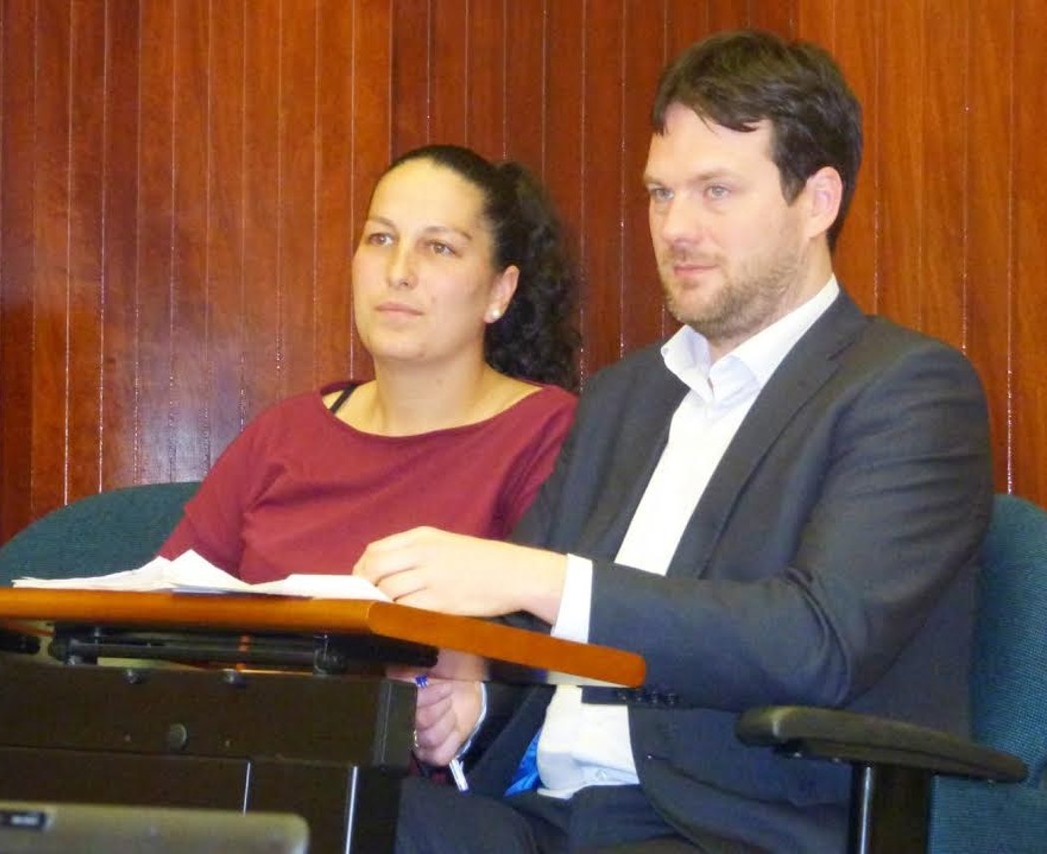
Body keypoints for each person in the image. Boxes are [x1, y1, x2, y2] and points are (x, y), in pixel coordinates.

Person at [354, 30, 992, 852]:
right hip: (549, 817)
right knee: (308, 817)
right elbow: (519, 625)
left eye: (715, 192)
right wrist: (471, 697)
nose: (676, 228)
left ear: (818, 201)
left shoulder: (904, 389)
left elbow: (819, 641)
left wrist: (542, 578)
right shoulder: (625, 398)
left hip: (733, 828)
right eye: (660, 194)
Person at [158, 144, 580, 582]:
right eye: (381, 239)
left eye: (439, 247)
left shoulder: (551, 435)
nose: (398, 272)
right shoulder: (282, 435)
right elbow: (155, 605)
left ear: (499, 291)